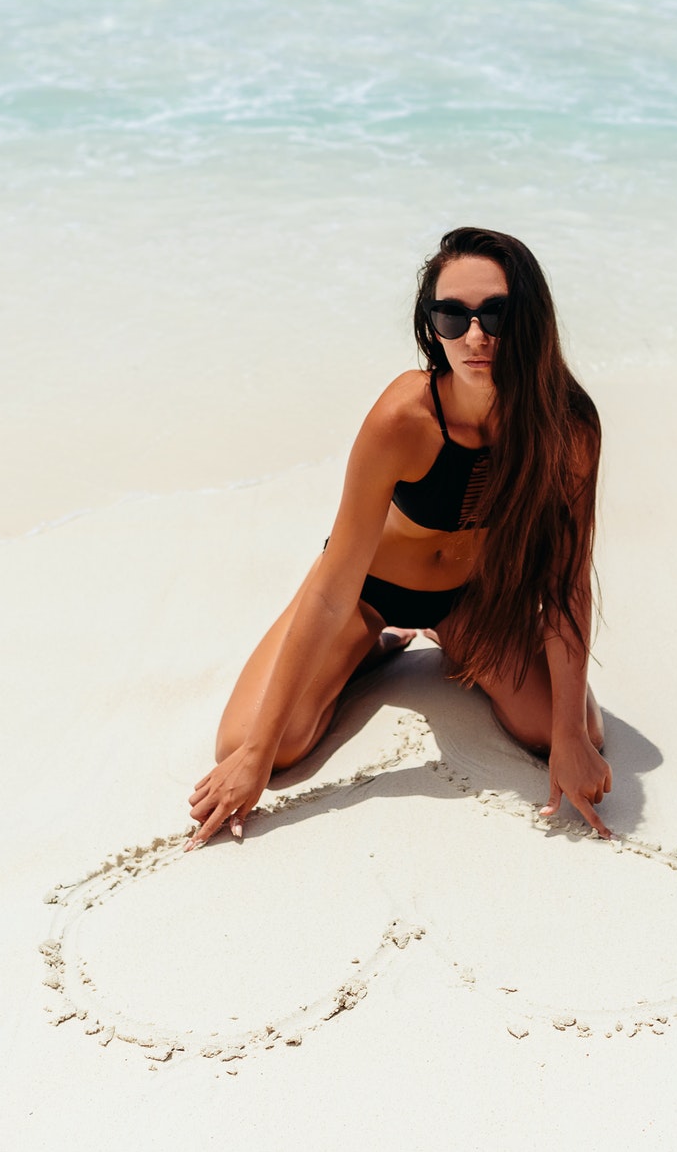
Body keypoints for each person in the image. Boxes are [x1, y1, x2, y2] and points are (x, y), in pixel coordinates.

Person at [187, 227, 612, 849]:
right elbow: (333, 587)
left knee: (577, 733)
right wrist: (254, 755)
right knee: (257, 743)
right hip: (367, 593)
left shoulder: (568, 426)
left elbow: (567, 584)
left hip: (476, 600)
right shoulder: (403, 417)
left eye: (497, 313)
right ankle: (377, 644)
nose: (476, 335)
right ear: (430, 324)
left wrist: (571, 740)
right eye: (452, 315)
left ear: (532, 318)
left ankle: (456, 641)